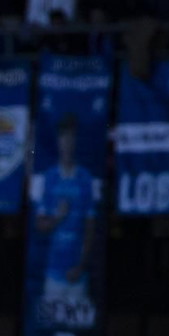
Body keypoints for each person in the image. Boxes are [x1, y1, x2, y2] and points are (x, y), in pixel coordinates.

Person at [34, 113, 95, 324]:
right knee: (50, 328)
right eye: (63, 139)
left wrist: (80, 265)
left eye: (71, 139)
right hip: (53, 274)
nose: (67, 144)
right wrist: (57, 218)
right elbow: (40, 225)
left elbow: (90, 228)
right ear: (59, 142)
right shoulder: (50, 178)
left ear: (75, 141)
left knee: (77, 329)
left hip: (77, 276)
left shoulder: (85, 179)